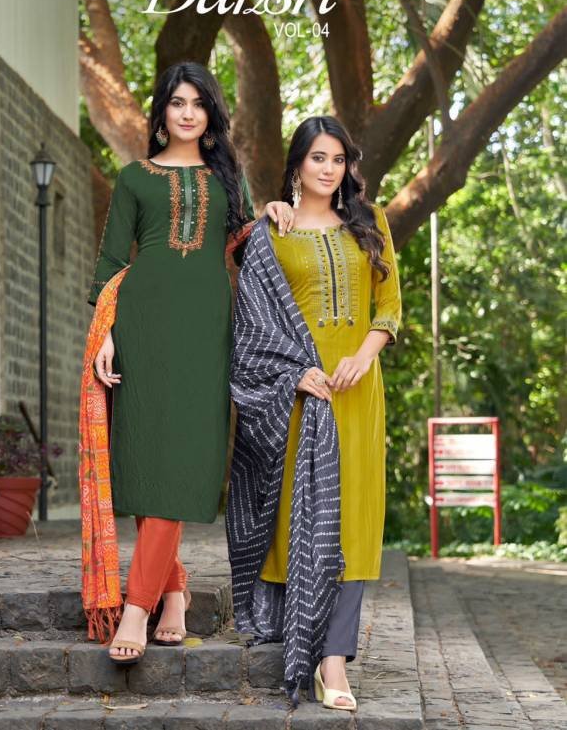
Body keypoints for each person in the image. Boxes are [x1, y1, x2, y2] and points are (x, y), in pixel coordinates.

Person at [79, 61, 294, 664]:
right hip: (141, 327)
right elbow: (110, 263)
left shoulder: (226, 179)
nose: (188, 113)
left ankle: (138, 606)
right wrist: (106, 334)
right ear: (162, 112)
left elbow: (244, 246)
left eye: (199, 103)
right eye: (177, 102)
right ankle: (169, 595)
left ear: (211, 114)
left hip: (205, 333)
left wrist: (271, 216)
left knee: (180, 461)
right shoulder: (133, 178)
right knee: (149, 461)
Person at [226, 115, 401, 710]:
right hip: (301, 393)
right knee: (298, 515)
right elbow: (252, 326)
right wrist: (293, 374)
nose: (329, 169)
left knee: (354, 520)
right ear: (297, 164)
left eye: (338, 159)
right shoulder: (273, 231)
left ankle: (333, 662)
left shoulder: (370, 224)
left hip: (357, 391)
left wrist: (362, 357)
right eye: (317, 158)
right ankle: (295, 632)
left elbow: (389, 308)